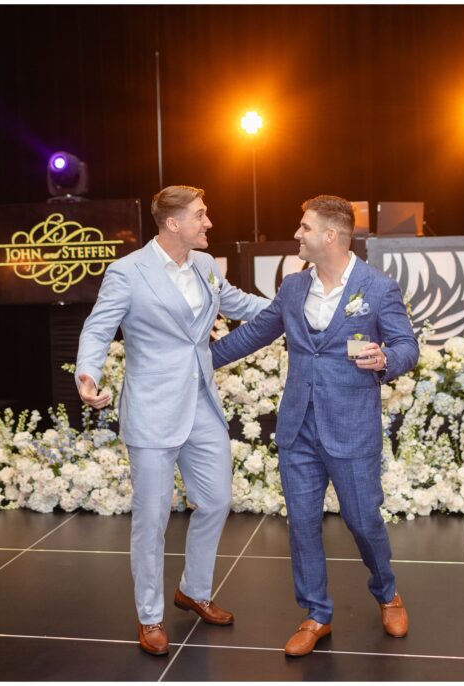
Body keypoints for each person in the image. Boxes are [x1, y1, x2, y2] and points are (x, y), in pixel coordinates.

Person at [211, 195, 419, 657]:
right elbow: (254, 332)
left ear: (330, 235)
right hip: (298, 428)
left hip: (351, 427)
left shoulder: (376, 287)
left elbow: (407, 345)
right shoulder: (292, 287)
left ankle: (388, 592)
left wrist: (387, 358)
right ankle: (316, 614)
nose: (298, 234)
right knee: (303, 525)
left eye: (305, 228)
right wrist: (199, 361)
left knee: (363, 521)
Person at [75, 185, 269, 656]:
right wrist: (87, 373)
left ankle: (193, 591)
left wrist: (300, 308)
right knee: (152, 519)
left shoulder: (205, 265)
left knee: (217, 500)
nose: (209, 223)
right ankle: (151, 616)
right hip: (152, 409)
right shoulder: (128, 271)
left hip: (201, 403)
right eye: (201, 215)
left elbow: (241, 304)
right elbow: (99, 327)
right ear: (173, 224)